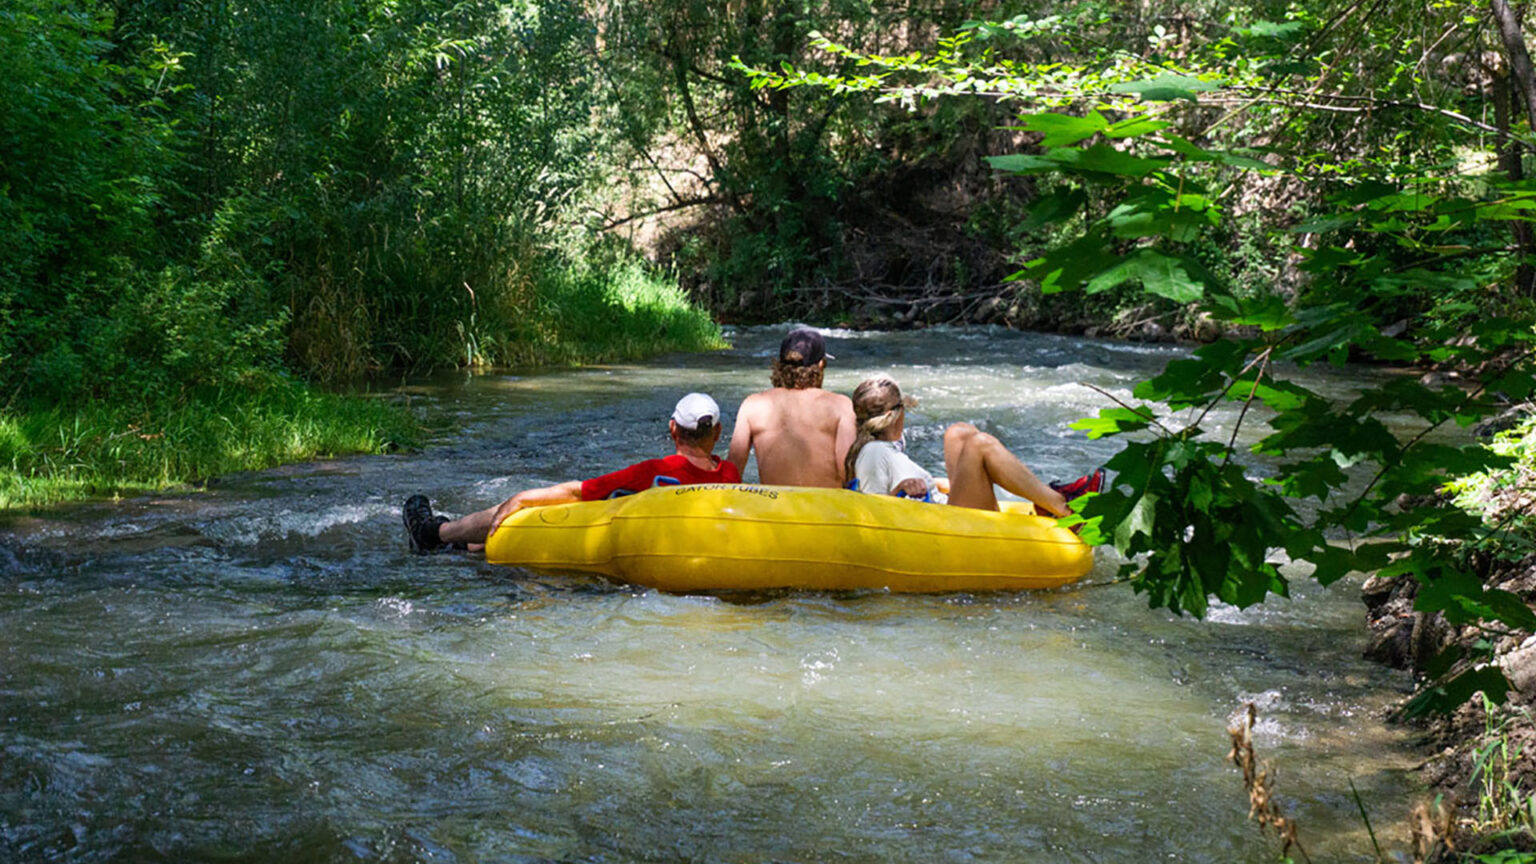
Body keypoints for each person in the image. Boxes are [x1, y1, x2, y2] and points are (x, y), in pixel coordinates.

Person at [402, 392, 741, 554]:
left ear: (672, 430)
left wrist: (520, 498)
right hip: (697, 549)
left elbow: (580, 492)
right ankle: (466, 546)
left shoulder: (655, 472)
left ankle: (435, 533)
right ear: (718, 432)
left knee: (522, 507)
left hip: (646, 546)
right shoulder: (730, 477)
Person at [844, 375, 1104, 516]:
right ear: (896, 414)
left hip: (947, 512)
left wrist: (934, 481)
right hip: (950, 526)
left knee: (958, 433)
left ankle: (1047, 498)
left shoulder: (886, 447)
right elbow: (872, 515)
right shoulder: (873, 453)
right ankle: (1062, 505)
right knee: (979, 444)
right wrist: (900, 489)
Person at [727, 327, 856, 487]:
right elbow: (848, 472)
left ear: (780, 365)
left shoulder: (752, 405)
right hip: (825, 508)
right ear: (821, 364)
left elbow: (732, 472)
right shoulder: (841, 405)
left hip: (774, 507)